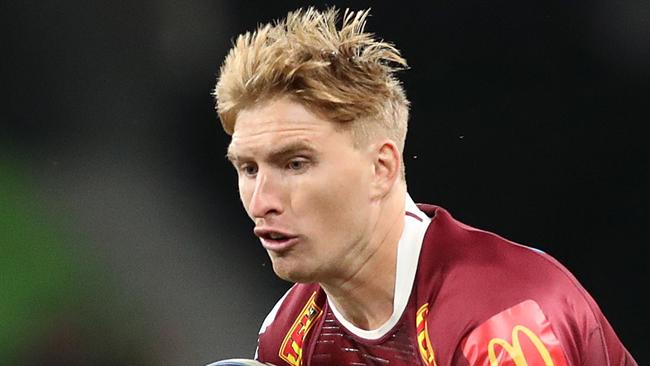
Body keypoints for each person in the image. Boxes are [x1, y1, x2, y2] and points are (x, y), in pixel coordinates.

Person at [212, 7, 637, 366]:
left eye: (295, 163)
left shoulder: (502, 319)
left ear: (381, 168)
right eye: (248, 169)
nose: (262, 201)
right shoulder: (289, 335)